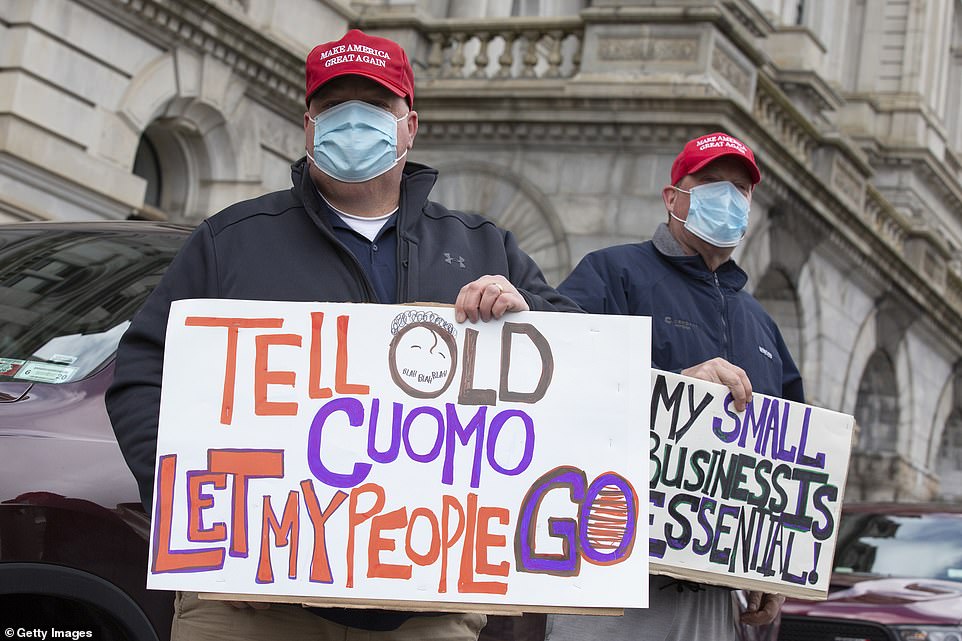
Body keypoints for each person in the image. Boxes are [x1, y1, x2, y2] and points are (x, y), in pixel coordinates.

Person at [106, 28, 578, 641]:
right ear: (308, 126)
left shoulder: (482, 246)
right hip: (248, 602)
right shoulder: (233, 240)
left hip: (424, 609)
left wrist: (528, 316)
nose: (353, 122)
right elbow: (144, 373)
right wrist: (195, 516)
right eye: (333, 107)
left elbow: (577, 372)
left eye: (376, 106)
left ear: (411, 125)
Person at [547, 132, 803, 641]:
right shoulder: (611, 273)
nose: (728, 199)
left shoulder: (762, 326)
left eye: (740, 189)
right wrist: (670, 389)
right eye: (710, 183)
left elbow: (788, 455)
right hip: (611, 571)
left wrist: (779, 563)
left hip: (712, 595)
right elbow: (555, 379)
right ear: (672, 198)